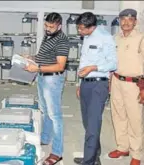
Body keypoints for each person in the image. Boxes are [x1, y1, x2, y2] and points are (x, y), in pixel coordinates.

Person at [24, 12, 69, 165]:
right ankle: (45, 138)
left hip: (53, 79)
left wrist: (37, 69)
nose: (48, 29)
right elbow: (44, 56)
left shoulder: (62, 40)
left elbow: (60, 65)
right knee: (45, 111)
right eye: (46, 25)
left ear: (59, 26)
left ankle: (57, 152)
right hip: (43, 77)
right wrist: (32, 58)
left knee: (55, 115)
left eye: (51, 26)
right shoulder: (48, 35)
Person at [73, 12, 117, 165]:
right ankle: (93, 156)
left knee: (92, 125)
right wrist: (80, 83)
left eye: (82, 29)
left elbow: (113, 64)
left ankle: (89, 162)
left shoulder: (106, 38)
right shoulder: (86, 37)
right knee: (88, 123)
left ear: (92, 27)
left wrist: (93, 67)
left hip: (99, 84)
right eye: (78, 28)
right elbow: (83, 61)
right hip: (86, 84)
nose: (79, 31)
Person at [108, 8, 144, 165]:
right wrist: (109, 82)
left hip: (134, 84)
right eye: (123, 19)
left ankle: (136, 153)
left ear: (135, 22)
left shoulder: (142, 39)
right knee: (118, 115)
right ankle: (123, 147)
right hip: (116, 81)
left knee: (135, 119)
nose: (126, 22)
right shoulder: (115, 38)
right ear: (119, 21)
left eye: (130, 20)